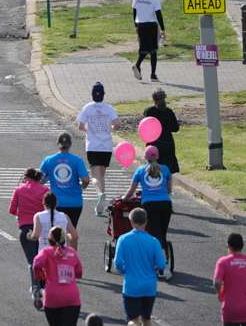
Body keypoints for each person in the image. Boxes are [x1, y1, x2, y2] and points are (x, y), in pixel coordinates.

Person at [123, 146, 173, 279]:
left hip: (149, 204)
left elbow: (131, 190)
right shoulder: (166, 169)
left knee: (155, 234)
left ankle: (163, 266)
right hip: (165, 204)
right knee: (162, 233)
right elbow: (169, 190)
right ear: (157, 156)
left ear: (145, 157)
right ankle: (162, 258)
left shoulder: (140, 170)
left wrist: (124, 199)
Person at [114, 208, 167, 326]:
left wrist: (124, 271)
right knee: (146, 319)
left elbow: (117, 262)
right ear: (146, 221)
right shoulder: (154, 241)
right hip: (149, 286)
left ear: (131, 221)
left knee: (133, 319)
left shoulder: (123, 239)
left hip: (131, 285)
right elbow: (162, 264)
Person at [77, 81, 119, 216]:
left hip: (93, 145)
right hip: (106, 146)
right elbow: (117, 124)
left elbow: (80, 126)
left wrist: (88, 129)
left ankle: (100, 194)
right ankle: (100, 204)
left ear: (92, 94)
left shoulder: (88, 108)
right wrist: (110, 128)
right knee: (101, 174)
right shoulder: (108, 108)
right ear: (103, 95)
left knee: (95, 175)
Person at [32, 226, 83, 326]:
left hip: (52, 297)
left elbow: (37, 264)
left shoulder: (46, 252)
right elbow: (79, 273)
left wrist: (40, 275)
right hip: (72, 298)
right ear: (64, 239)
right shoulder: (72, 252)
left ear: (49, 239)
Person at [9, 168, 49, 295]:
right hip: (43, 228)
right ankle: (44, 285)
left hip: (26, 228)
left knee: (32, 261)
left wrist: (20, 214)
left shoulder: (19, 190)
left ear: (26, 178)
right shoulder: (45, 190)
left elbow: (12, 210)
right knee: (45, 258)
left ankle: (36, 288)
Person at [214, 233, 246, 326]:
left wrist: (220, 293)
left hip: (231, 308)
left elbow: (217, 283)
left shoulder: (223, 261)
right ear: (242, 246)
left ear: (229, 246)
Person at [39, 132, 90, 225]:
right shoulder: (77, 160)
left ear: (58, 143)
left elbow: (39, 180)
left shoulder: (48, 160)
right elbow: (86, 180)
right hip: (75, 202)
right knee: (71, 231)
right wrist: (82, 187)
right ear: (70, 144)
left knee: (56, 233)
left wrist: (49, 177)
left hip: (55, 203)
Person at [132, 0, 166, 82]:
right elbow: (158, 15)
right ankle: (152, 74)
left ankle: (139, 67)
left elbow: (134, 11)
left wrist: (136, 26)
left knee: (143, 48)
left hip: (140, 25)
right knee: (153, 50)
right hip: (151, 26)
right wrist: (163, 29)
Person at [143, 89, 181, 175]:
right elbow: (175, 128)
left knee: (153, 169)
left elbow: (145, 126)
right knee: (167, 170)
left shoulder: (149, 111)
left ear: (154, 100)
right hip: (167, 143)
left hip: (154, 143)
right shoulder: (169, 112)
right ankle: (166, 187)